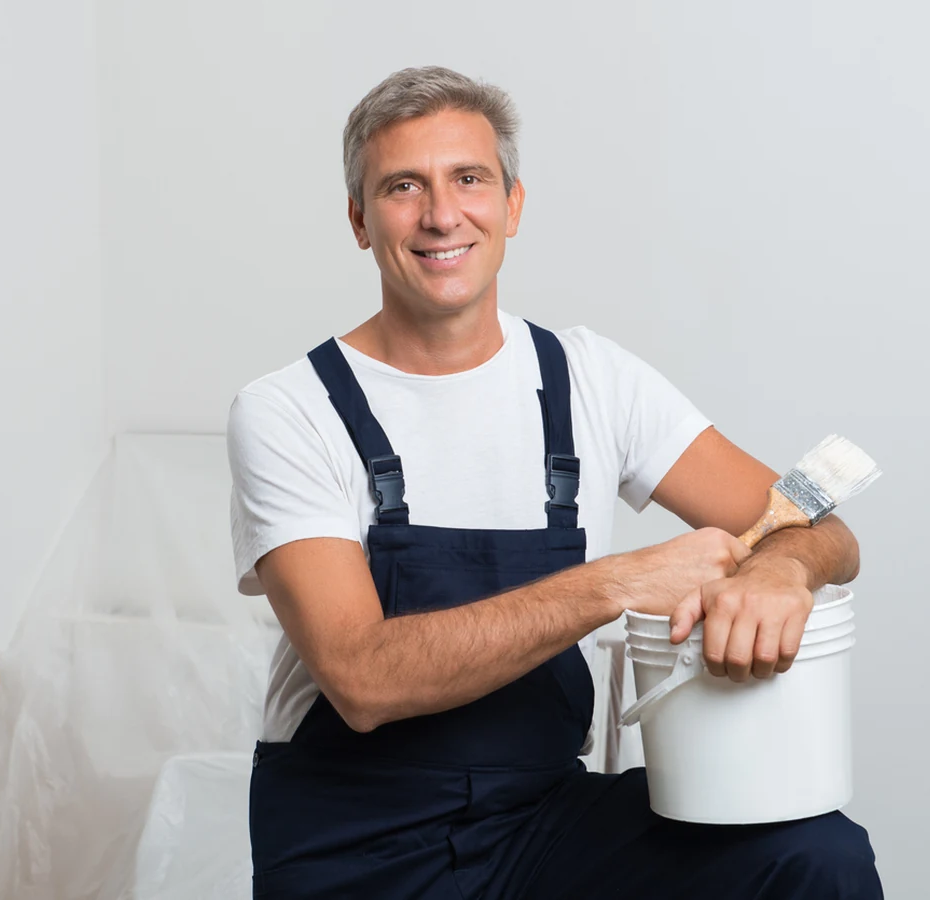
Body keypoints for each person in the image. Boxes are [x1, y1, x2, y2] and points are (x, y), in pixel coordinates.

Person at [226, 66, 882, 899]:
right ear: (359, 220)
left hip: (540, 819)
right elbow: (361, 679)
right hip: (353, 845)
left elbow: (824, 528)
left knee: (815, 856)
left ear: (513, 205)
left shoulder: (589, 381)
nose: (441, 214)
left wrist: (781, 570)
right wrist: (616, 583)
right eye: (402, 187)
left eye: (469, 179)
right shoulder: (290, 410)